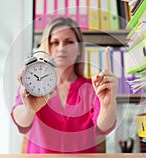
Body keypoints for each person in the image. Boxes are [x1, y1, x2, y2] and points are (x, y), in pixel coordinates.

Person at [11, 17, 118, 153]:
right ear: (47, 47)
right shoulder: (34, 83)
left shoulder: (92, 88)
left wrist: (108, 103)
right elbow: (20, 122)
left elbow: (103, 127)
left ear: (79, 49)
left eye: (69, 42)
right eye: (55, 42)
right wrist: (29, 110)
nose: (61, 48)